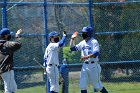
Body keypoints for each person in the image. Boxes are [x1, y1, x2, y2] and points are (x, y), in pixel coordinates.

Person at [70, 26, 108, 93]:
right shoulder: (82, 42)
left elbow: (96, 53)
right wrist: (72, 39)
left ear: (89, 33)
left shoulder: (94, 41)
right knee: (82, 85)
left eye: (85, 33)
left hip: (93, 66)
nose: (83, 34)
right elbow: (72, 48)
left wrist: (86, 57)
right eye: (82, 33)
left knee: (97, 86)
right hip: (85, 66)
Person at [0, 28, 22, 93]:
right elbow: (18, 44)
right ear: (6, 35)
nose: (10, 36)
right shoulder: (6, 44)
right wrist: (17, 35)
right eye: (9, 34)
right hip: (7, 69)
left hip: (3, 70)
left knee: (13, 88)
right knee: (9, 90)